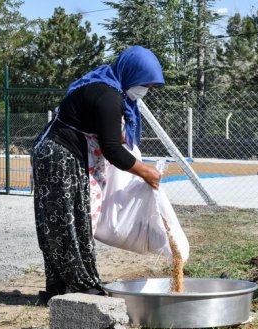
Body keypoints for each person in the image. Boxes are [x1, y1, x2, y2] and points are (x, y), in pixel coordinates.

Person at [31, 46, 164, 305]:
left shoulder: (105, 86)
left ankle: (59, 287)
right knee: (72, 222)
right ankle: (84, 287)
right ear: (132, 74)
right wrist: (146, 172)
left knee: (59, 224)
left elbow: (108, 133)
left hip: (53, 153)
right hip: (61, 158)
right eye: (145, 84)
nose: (145, 90)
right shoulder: (109, 96)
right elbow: (112, 149)